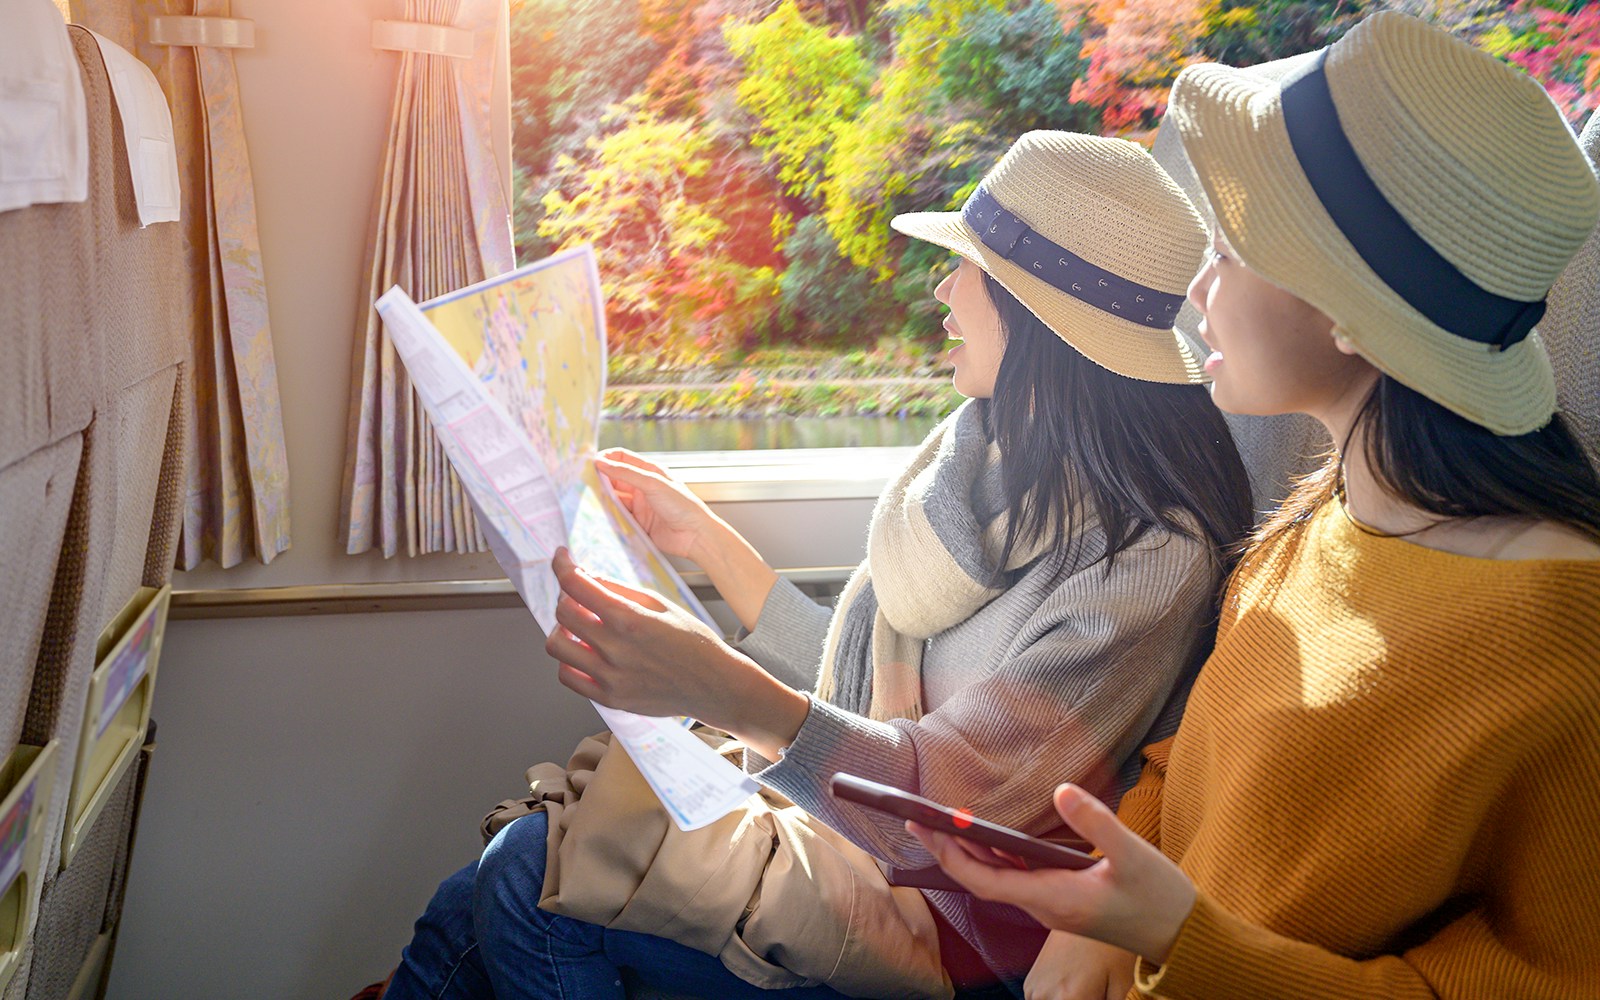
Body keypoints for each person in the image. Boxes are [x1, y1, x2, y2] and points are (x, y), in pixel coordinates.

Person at [377, 131, 1254, 1000]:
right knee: (475, 891)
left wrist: (727, 691)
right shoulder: (977, 463)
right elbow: (866, 696)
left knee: (530, 874)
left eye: (968, 268)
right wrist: (711, 545)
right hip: (860, 841)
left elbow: (949, 806)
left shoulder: (1146, 563)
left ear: (1039, 317)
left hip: (954, 916)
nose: (942, 290)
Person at [908, 13, 1600, 1000]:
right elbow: (1184, 772)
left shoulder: (1561, 644)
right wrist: (1103, 918)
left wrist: (1172, 937)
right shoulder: (1308, 529)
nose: (1197, 290)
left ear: (1351, 311)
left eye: (1232, 250)